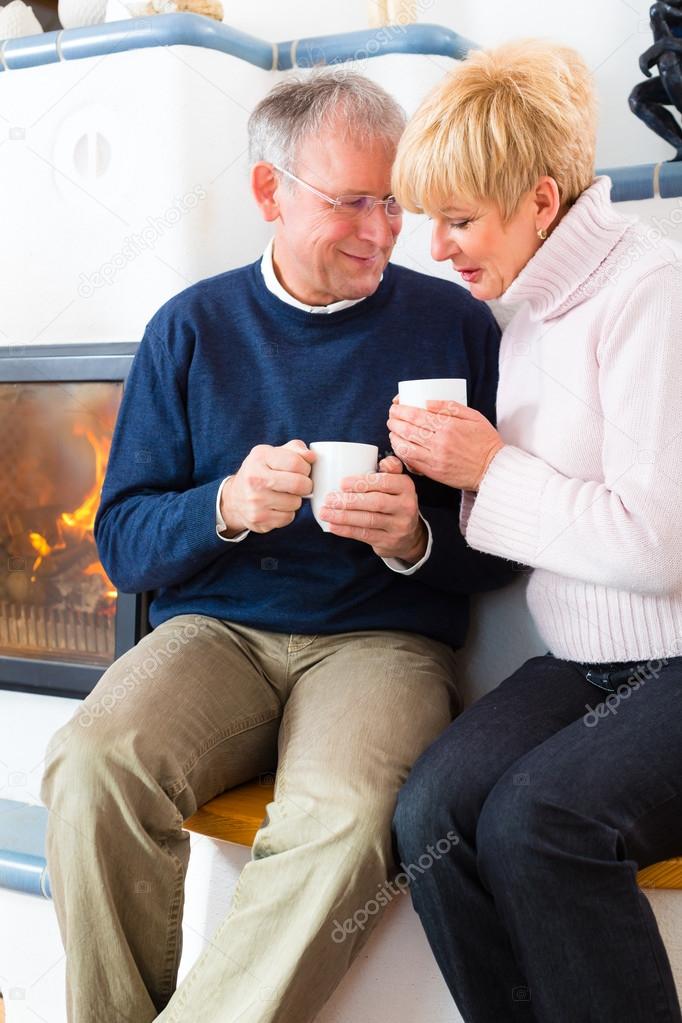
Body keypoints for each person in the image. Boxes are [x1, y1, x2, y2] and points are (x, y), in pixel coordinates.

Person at [39, 70, 513, 1023]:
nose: (384, 231)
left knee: (341, 823)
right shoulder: (192, 327)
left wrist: (415, 538)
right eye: (352, 203)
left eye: (394, 201)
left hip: (382, 643)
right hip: (217, 632)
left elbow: (506, 544)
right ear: (271, 193)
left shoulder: (456, 325)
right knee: (90, 763)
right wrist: (224, 504)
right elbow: (125, 545)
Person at [388, 39, 682, 1023]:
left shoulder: (652, 295)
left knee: (536, 822)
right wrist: (418, 510)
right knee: (430, 811)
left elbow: (651, 544)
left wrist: (489, 470)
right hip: (590, 661)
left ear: (542, 202)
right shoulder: (523, 322)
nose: (437, 246)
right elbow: (538, 528)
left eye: (459, 219)